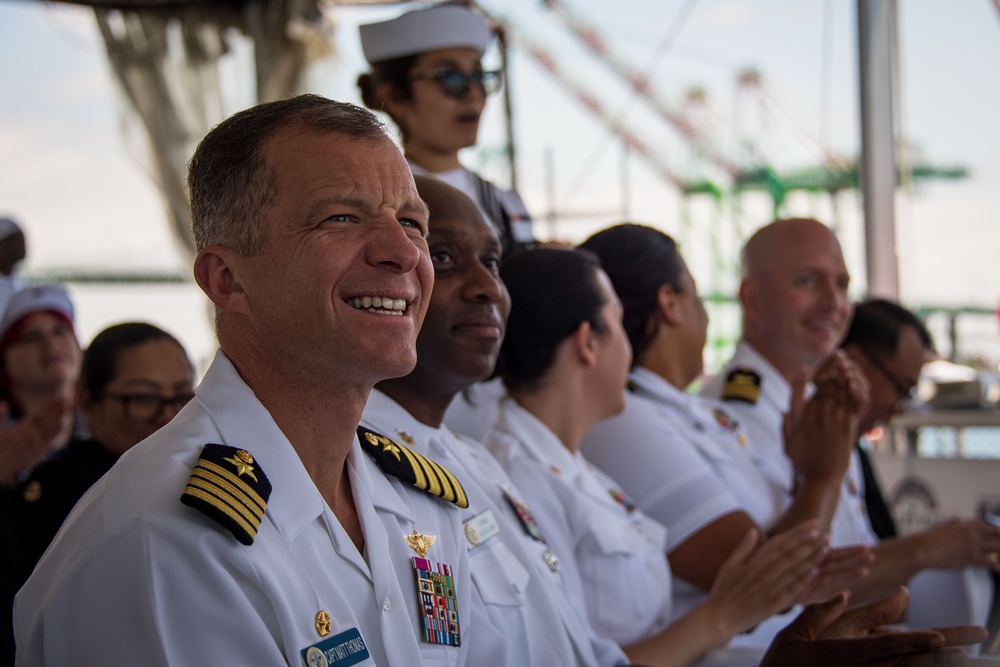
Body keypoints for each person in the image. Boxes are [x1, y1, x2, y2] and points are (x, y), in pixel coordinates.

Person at [14, 95, 480, 666]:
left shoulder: (416, 504)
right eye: (341, 218)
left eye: (411, 222)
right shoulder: (166, 540)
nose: (404, 252)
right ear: (228, 279)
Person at [483, 246, 843, 666]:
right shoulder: (519, 479)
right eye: (617, 324)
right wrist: (723, 615)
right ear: (587, 344)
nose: (630, 347)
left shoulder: (580, 472)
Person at [361, 174, 627, 667]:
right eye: (443, 257)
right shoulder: (355, 478)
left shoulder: (472, 460)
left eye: (492, 262)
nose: (488, 287)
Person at [578, 224, 871, 644]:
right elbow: (765, 581)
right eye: (696, 295)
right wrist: (821, 477)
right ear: (671, 304)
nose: (708, 313)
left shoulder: (694, 411)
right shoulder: (625, 423)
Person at [699, 218, 1000, 609]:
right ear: (752, 299)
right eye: (808, 281)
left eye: (842, 285)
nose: (834, 304)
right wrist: (928, 549)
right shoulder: (726, 413)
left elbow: (850, 553)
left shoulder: (826, 407)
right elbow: (784, 589)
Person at [357, 1, 535, 257]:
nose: (474, 95)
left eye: (480, 77)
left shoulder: (504, 204)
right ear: (395, 96)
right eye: (450, 78)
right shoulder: (376, 201)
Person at [12, 322, 195, 566]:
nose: (168, 415)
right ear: (87, 401)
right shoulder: (57, 497)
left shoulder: (203, 475)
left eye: (183, 397)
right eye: (143, 398)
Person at [0, 284, 80, 485]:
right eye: (30, 337)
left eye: (60, 331)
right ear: (4, 359)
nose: (51, 345)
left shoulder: (110, 424)